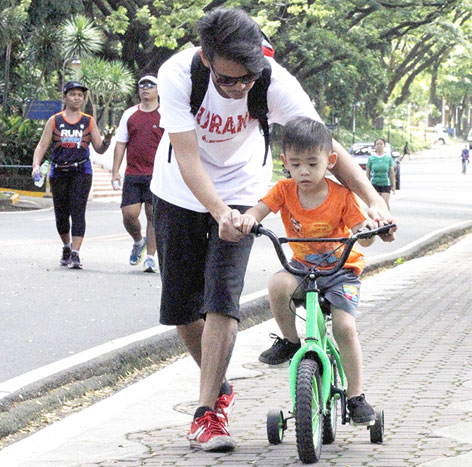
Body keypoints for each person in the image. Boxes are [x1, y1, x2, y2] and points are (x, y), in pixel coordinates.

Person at [149, 8, 395, 452]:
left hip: (245, 193)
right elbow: (187, 159)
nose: (241, 86)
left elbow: (326, 146)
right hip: (179, 192)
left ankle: (207, 414)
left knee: (221, 299)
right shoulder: (177, 75)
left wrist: (373, 201)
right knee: (183, 309)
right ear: (207, 59)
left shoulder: (272, 79)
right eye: (229, 79)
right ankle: (218, 385)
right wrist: (217, 210)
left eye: (248, 78)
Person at [239, 117, 379, 425]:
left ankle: (356, 396)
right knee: (277, 284)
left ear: (330, 162)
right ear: (284, 162)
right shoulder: (284, 190)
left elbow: (362, 233)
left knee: (344, 328)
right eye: (296, 163)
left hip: (342, 270)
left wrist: (367, 230)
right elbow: (258, 210)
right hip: (303, 268)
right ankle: (291, 341)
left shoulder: (342, 195)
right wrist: (248, 219)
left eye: (312, 164)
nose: (303, 171)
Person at [32, 81, 113, 269]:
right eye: (73, 94)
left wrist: (107, 141)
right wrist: (36, 165)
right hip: (59, 170)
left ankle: (76, 253)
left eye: (80, 95)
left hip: (81, 171)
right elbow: (42, 145)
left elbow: (99, 149)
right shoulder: (55, 120)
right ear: (65, 97)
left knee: (78, 211)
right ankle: (66, 246)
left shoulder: (88, 121)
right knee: (61, 214)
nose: (77, 97)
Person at [112, 75, 163, 273]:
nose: (146, 88)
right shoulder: (130, 114)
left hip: (157, 174)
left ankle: (150, 257)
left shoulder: (166, 113)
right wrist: (115, 171)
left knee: (153, 215)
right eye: (142, 85)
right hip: (133, 173)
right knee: (129, 215)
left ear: (158, 90)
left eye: (151, 85)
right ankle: (138, 241)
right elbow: (121, 143)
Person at [365, 138, 396, 209]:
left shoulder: (388, 158)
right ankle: (377, 219)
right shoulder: (371, 158)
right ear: (375, 146)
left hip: (385, 183)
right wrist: (367, 185)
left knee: (385, 203)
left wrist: (393, 185)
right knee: (376, 204)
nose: (379, 146)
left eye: (381, 144)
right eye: (377, 144)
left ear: (384, 145)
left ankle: (387, 218)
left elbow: (391, 173)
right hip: (374, 183)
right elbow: (368, 173)